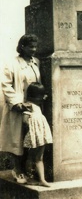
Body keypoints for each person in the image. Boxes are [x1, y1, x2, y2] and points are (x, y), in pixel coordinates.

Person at [0, 34, 41, 183]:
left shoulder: (36, 63)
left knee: (31, 139)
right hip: (17, 107)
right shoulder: (12, 64)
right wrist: (17, 103)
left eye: (36, 46)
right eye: (31, 47)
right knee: (17, 139)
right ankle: (17, 169)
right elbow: (6, 84)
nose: (34, 49)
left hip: (32, 107)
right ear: (22, 47)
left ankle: (28, 168)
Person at [22, 82, 52, 187]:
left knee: (40, 157)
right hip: (34, 134)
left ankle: (42, 179)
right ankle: (29, 178)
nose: (42, 99)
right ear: (33, 97)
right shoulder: (28, 105)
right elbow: (25, 120)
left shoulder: (38, 105)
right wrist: (32, 127)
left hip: (41, 134)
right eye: (40, 97)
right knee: (31, 156)